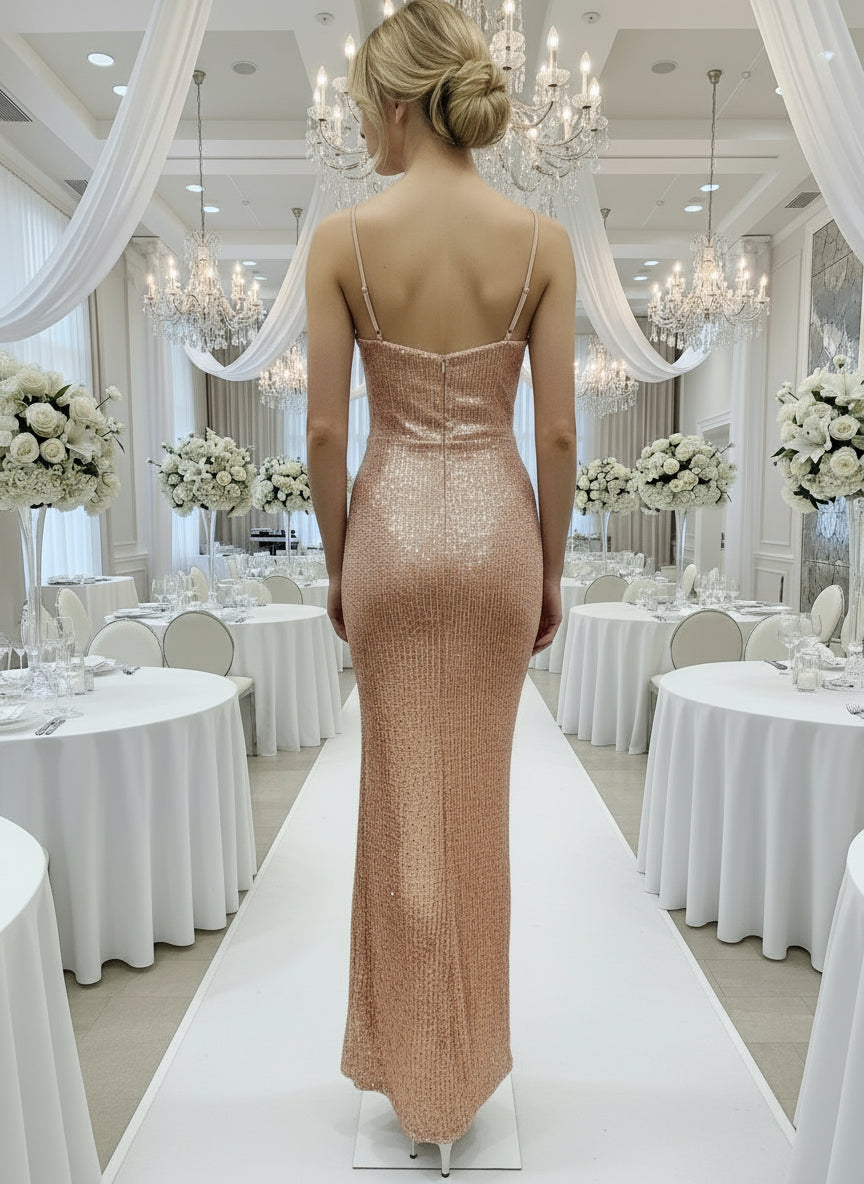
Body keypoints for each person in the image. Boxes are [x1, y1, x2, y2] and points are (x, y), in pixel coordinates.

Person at [305, 0, 577, 1174]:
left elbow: (323, 429)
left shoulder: (345, 239)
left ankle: (414, 1075)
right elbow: (560, 435)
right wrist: (553, 564)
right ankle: (466, 1071)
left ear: (404, 101)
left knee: (399, 804)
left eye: (368, 98)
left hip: (395, 533)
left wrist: (338, 556)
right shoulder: (541, 240)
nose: (362, 121)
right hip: (501, 533)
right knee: (477, 810)